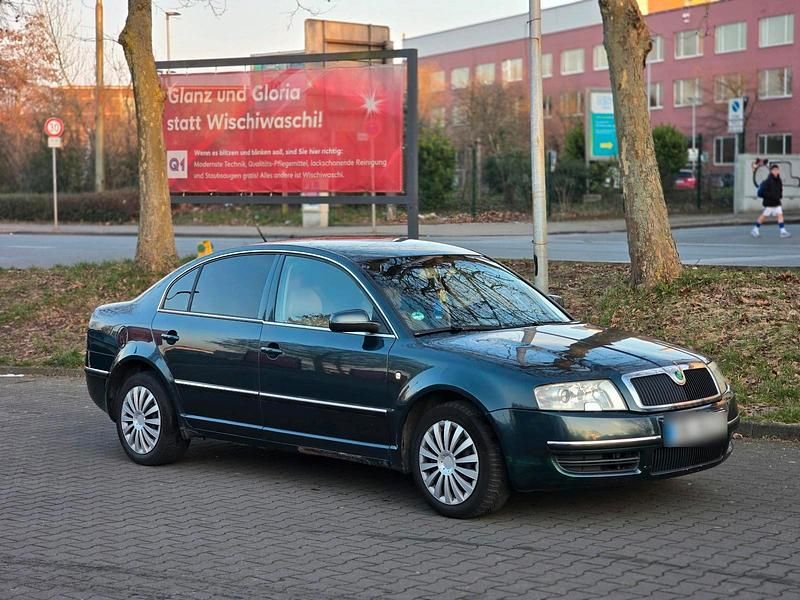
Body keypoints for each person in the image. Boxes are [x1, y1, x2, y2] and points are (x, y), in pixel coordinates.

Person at [751, 164, 791, 238]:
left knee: (780, 214)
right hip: (769, 203)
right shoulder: (767, 181)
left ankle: (783, 231)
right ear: (771, 171)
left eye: (777, 170)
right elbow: (761, 193)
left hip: (777, 202)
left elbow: (780, 189)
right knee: (763, 216)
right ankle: (755, 229)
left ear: (778, 171)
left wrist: (780, 195)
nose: (776, 171)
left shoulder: (779, 180)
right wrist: (769, 196)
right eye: (774, 170)